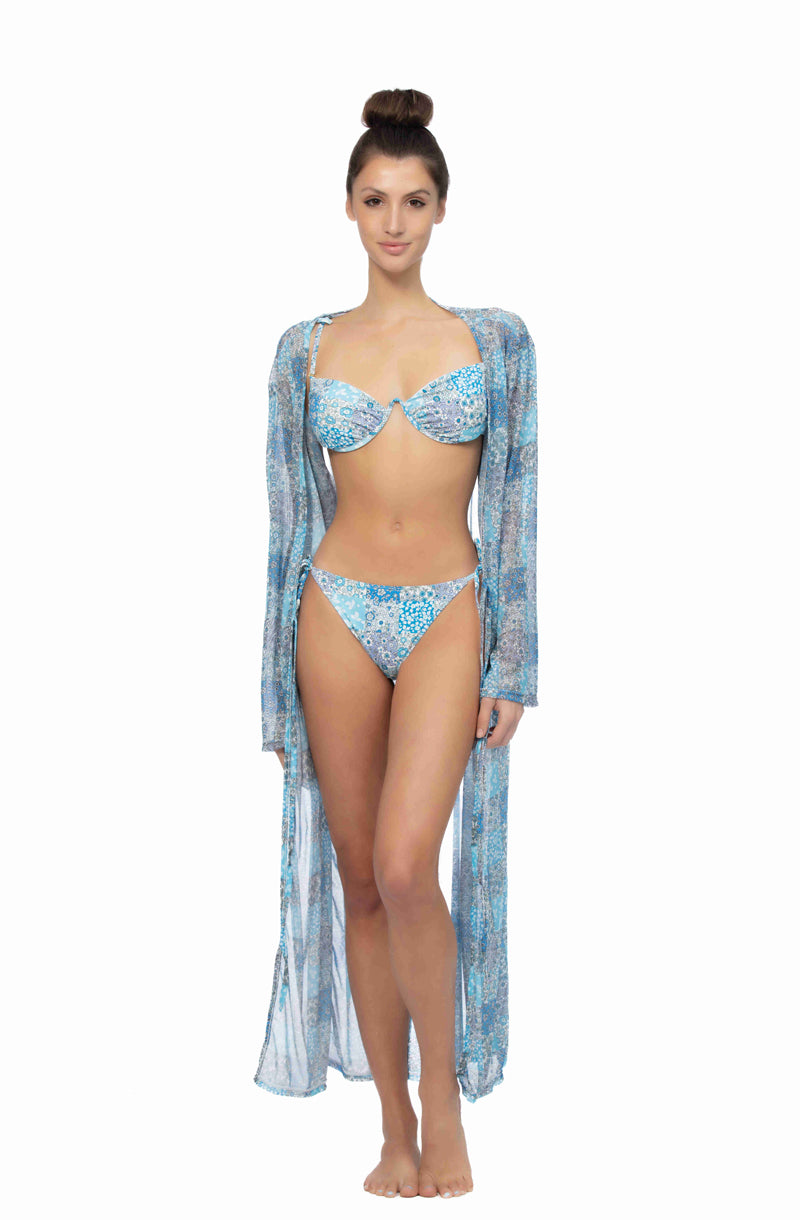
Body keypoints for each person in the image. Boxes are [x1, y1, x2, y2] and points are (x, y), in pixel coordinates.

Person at [254, 87, 538, 1202]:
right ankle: (391, 1124)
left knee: (407, 864)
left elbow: (515, 504)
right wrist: (272, 692)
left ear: (440, 209)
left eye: (413, 201)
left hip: (446, 607)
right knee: (359, 877)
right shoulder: (304, 349)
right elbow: (288, 520)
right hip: (332, 608)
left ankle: (446, 1109)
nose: (393, 222)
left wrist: (514, 661)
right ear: (347, 206)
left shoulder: (494, 341)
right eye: (374, 199)